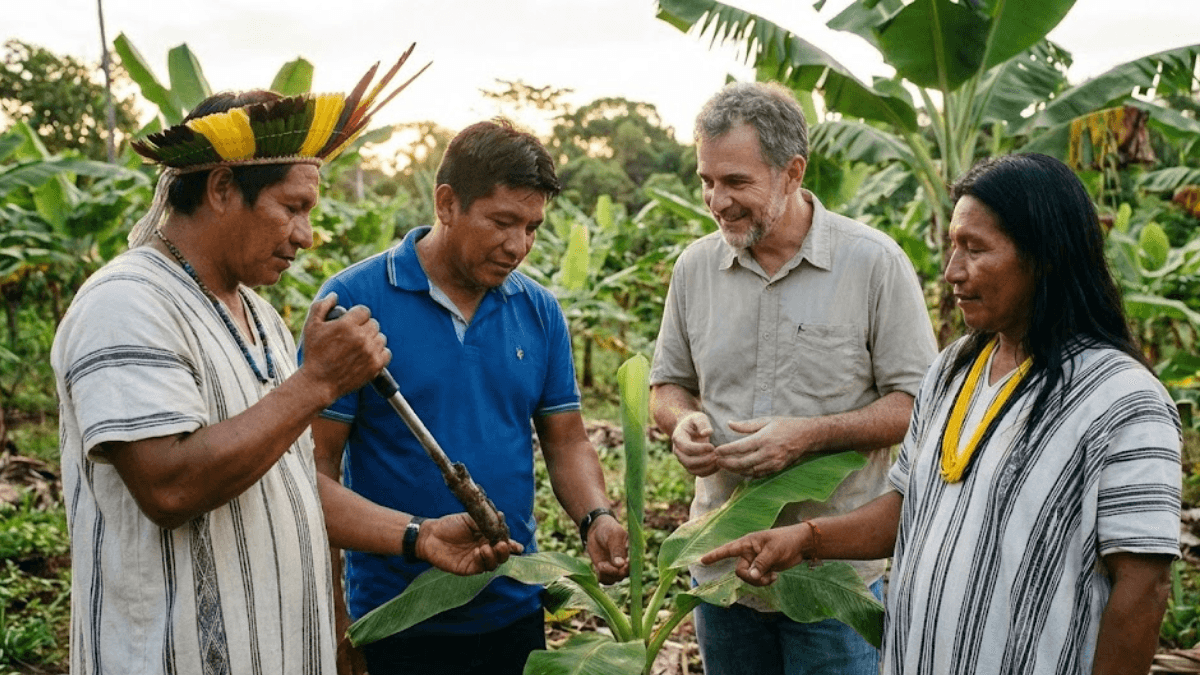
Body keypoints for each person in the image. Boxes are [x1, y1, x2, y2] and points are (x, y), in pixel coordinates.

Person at [51, 60, 520, 675]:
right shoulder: (128, 303)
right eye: (292, 207)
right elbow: (169, 486)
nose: (306, 235)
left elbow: (291, 482)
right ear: (222, 189)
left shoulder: (260, 318)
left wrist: (418, 535)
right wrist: (318, 382)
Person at [703, 153, 1182, 675]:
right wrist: (804, 539)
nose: (952, 272)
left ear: (1046, 257)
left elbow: (1143, 585)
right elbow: (909, 506)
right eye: (953, 247)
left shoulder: (1124, 401)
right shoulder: (954, 368)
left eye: (975, 250)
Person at [307, 118, 630, 675]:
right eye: (502, 221)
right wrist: (337, 621)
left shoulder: (538, 310)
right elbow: (316, 472)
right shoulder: (354, 302)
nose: (518, 246)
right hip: (394, 614)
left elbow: (566, 440)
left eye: (532, 227)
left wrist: (595, 516)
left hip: (513, 601)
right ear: (447, 203)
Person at [649, 81, 938, 675]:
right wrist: (683, 424)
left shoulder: (873, 264)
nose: (716, 200)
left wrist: (809, 436)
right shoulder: (695, 267)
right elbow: (667, 386)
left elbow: (918, 405)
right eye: (706, 181)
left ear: (792, 172)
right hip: (722, 571)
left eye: (736, 182)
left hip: (830, 576)